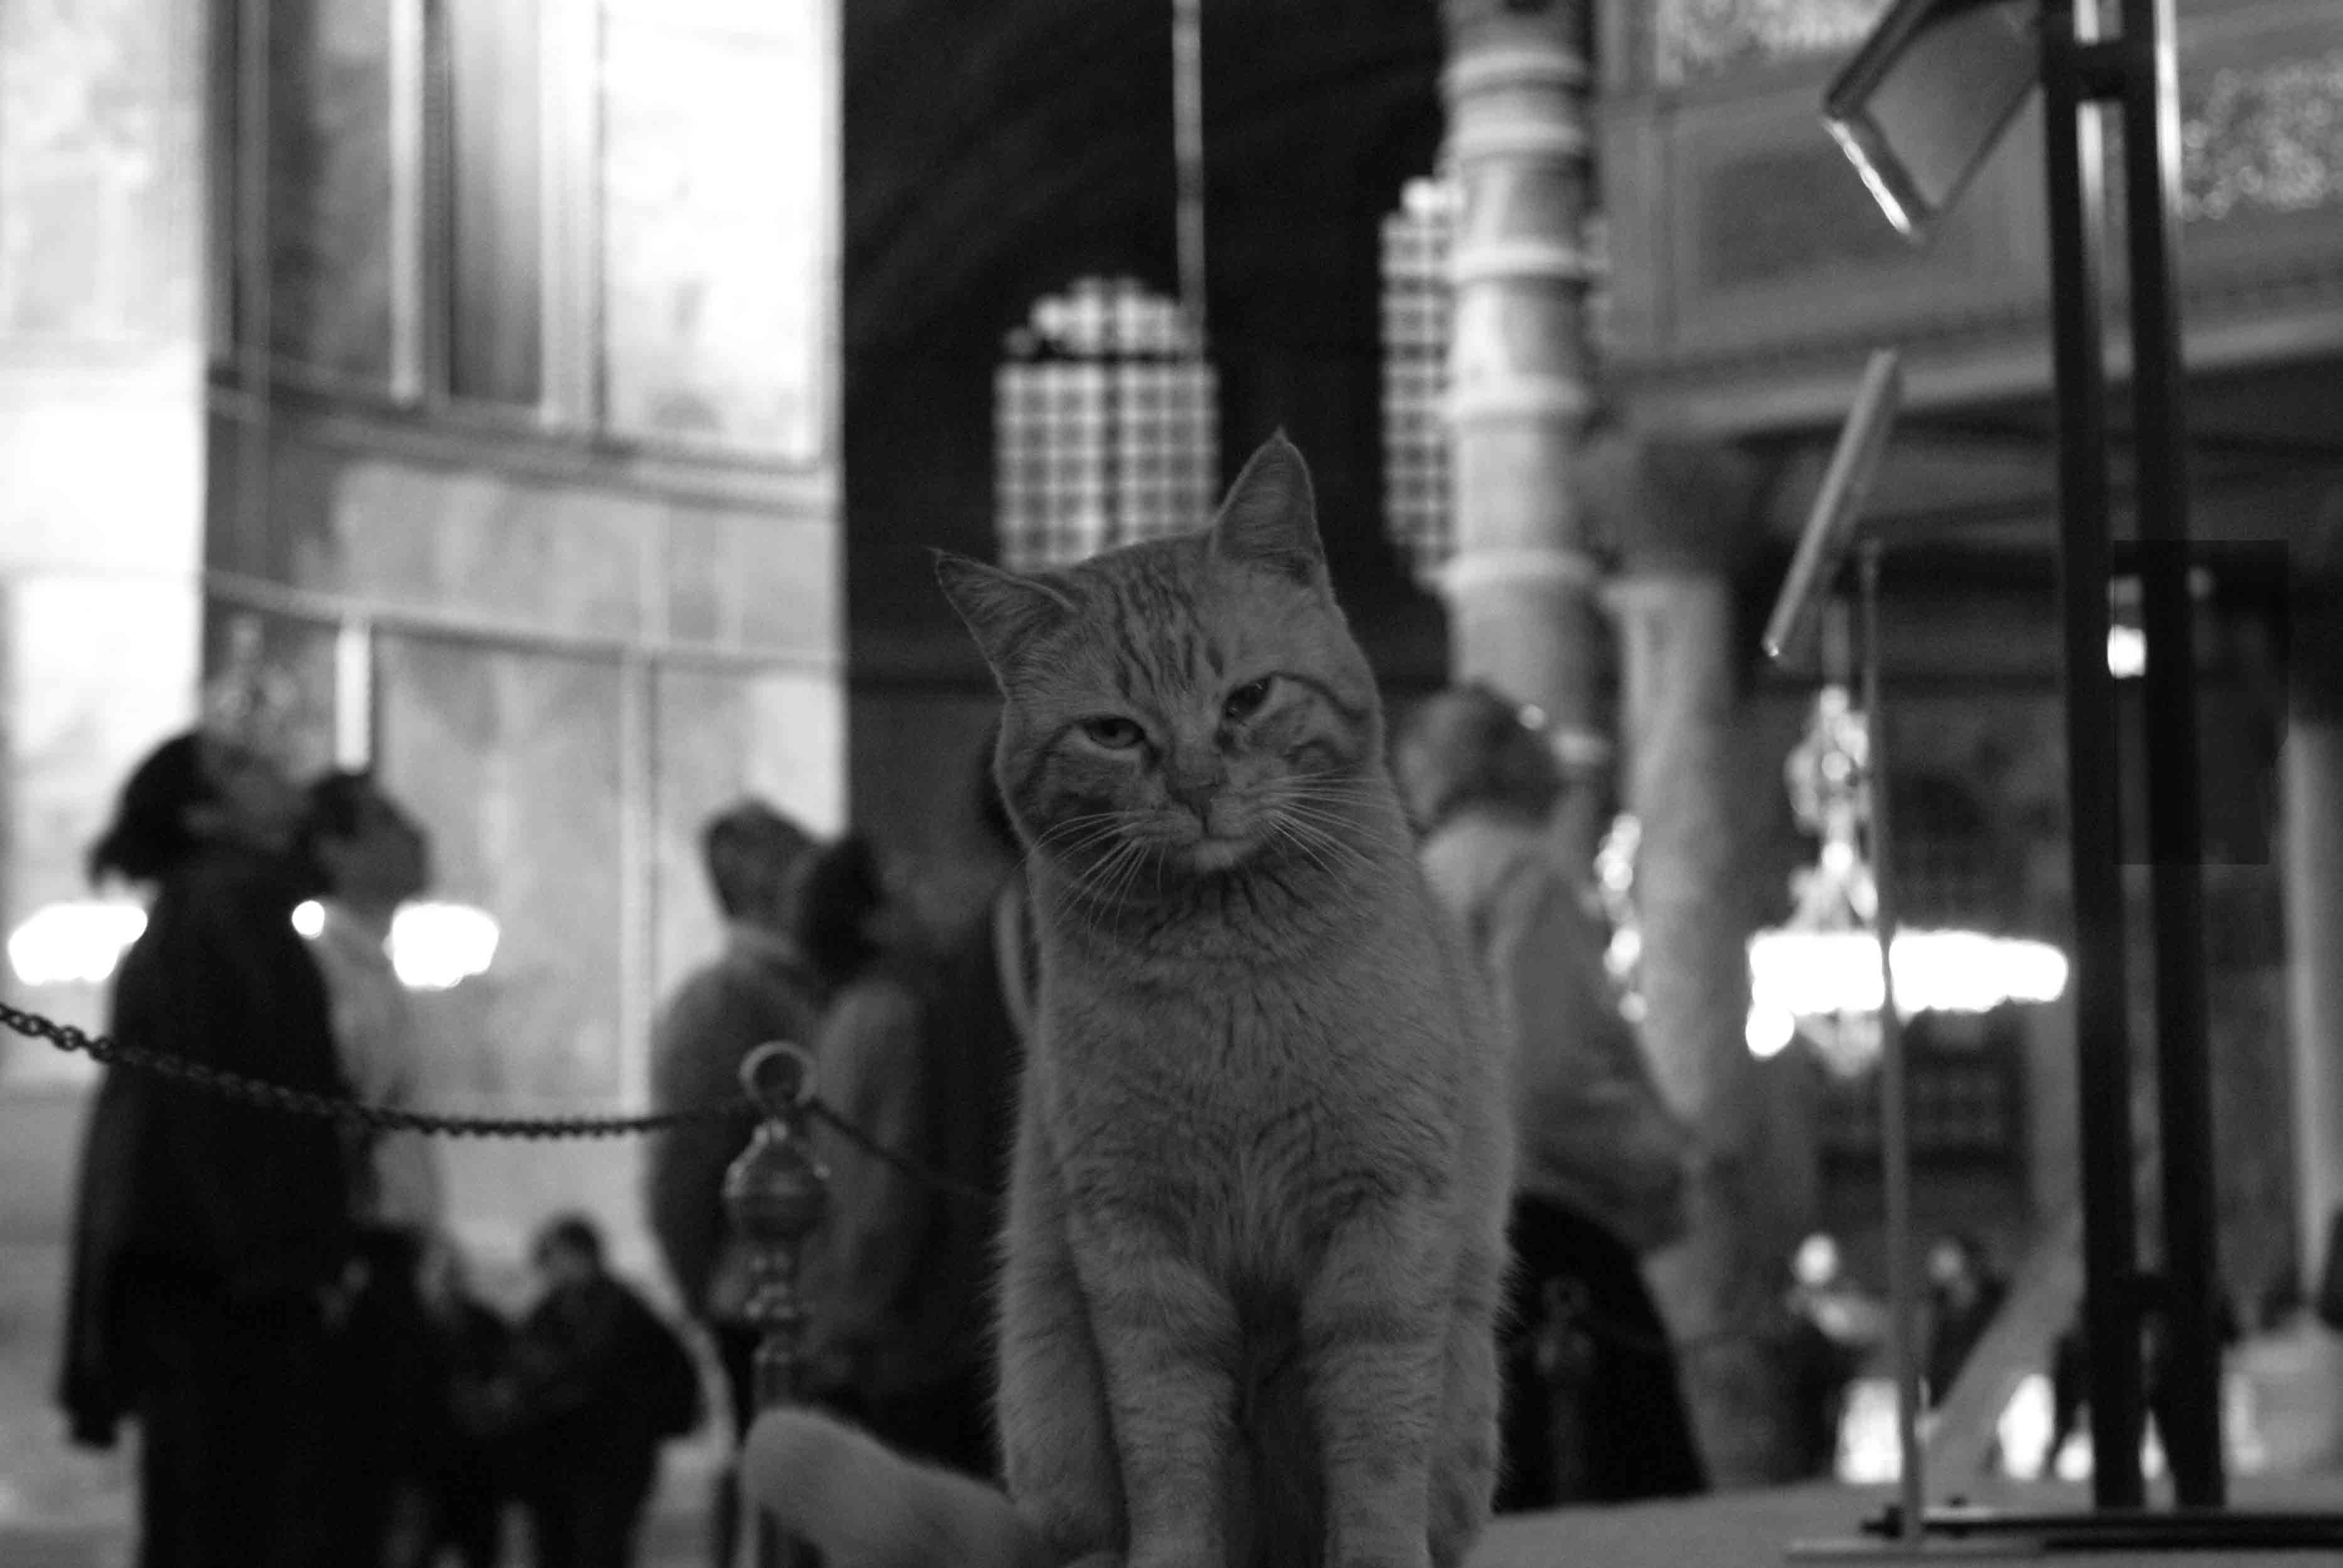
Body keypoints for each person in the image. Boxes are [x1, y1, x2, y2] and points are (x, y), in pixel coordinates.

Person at [1394, 682, 1707, 1508]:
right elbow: (1542, 1083)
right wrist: (1663, 1155)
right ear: (1500, 762)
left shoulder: (1412, 882)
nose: (1556, 764)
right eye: (1533, 741)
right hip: (1547, 1240)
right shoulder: (1521, 873)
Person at [57, 728, 357, 1568]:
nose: (273, 766)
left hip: (209, 1274)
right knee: (226, 1515)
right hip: (221, 1283)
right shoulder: (224, 912)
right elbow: (226, 1121)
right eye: (241, 766)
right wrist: (287, 1254)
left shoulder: (228, 907)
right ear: (203, 815)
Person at [794, 738, 1029, 1479]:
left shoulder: (857, 1009)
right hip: (911, 1334)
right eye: (899, 884)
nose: (921, 886)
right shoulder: (897, 1013)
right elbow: (884, 1190)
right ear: (871, 922)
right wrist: (855, 1322)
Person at [641, 799, 821, 1564]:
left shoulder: (813, 986)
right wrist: (698, 1287)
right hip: (757, 1292)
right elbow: (686, 1169)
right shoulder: (724, 1000)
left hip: (824, 1295)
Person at [302, 770, 444, 1567]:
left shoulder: (378, 966)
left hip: (392, 1256)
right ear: (335, 849)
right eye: (386, 821)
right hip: (355, 1260)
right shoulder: (321, 962)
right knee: (352, 1490)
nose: (416, 835)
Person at [496, 1214, 701, 1568]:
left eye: (557, 1256)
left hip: (611, 1458)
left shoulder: (622, 1311)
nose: (550, 1267)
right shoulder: (550, 1312)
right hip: (560, 1462)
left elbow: (654, 1376)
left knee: (601, 1549)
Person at [1924, 1231, 2007, 1409]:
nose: (1936, 1263)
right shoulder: (1941, 1305)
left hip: (1991, 1390)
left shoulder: (1998, 1299)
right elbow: (1937, 1358)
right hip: (1951, 1396)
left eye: (1947, 1256)